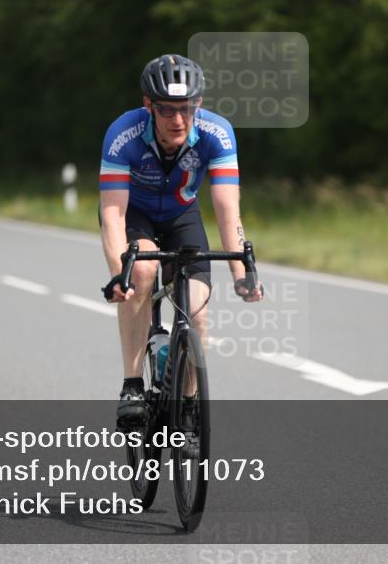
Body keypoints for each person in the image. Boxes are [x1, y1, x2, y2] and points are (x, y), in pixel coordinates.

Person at [99, 54, 264, 425]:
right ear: (148, 106)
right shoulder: (122, 133)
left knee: (198, 312)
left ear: (199, 104)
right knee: (140, 273)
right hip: (135, 216)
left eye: (186, 109)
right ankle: (132, 385)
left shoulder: (216, 133)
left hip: (181, 215)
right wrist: (118, 275)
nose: (177, 120)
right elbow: (112, 213)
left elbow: (227, 210)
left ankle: (188, 406)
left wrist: (241, 272)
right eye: (166, 110)